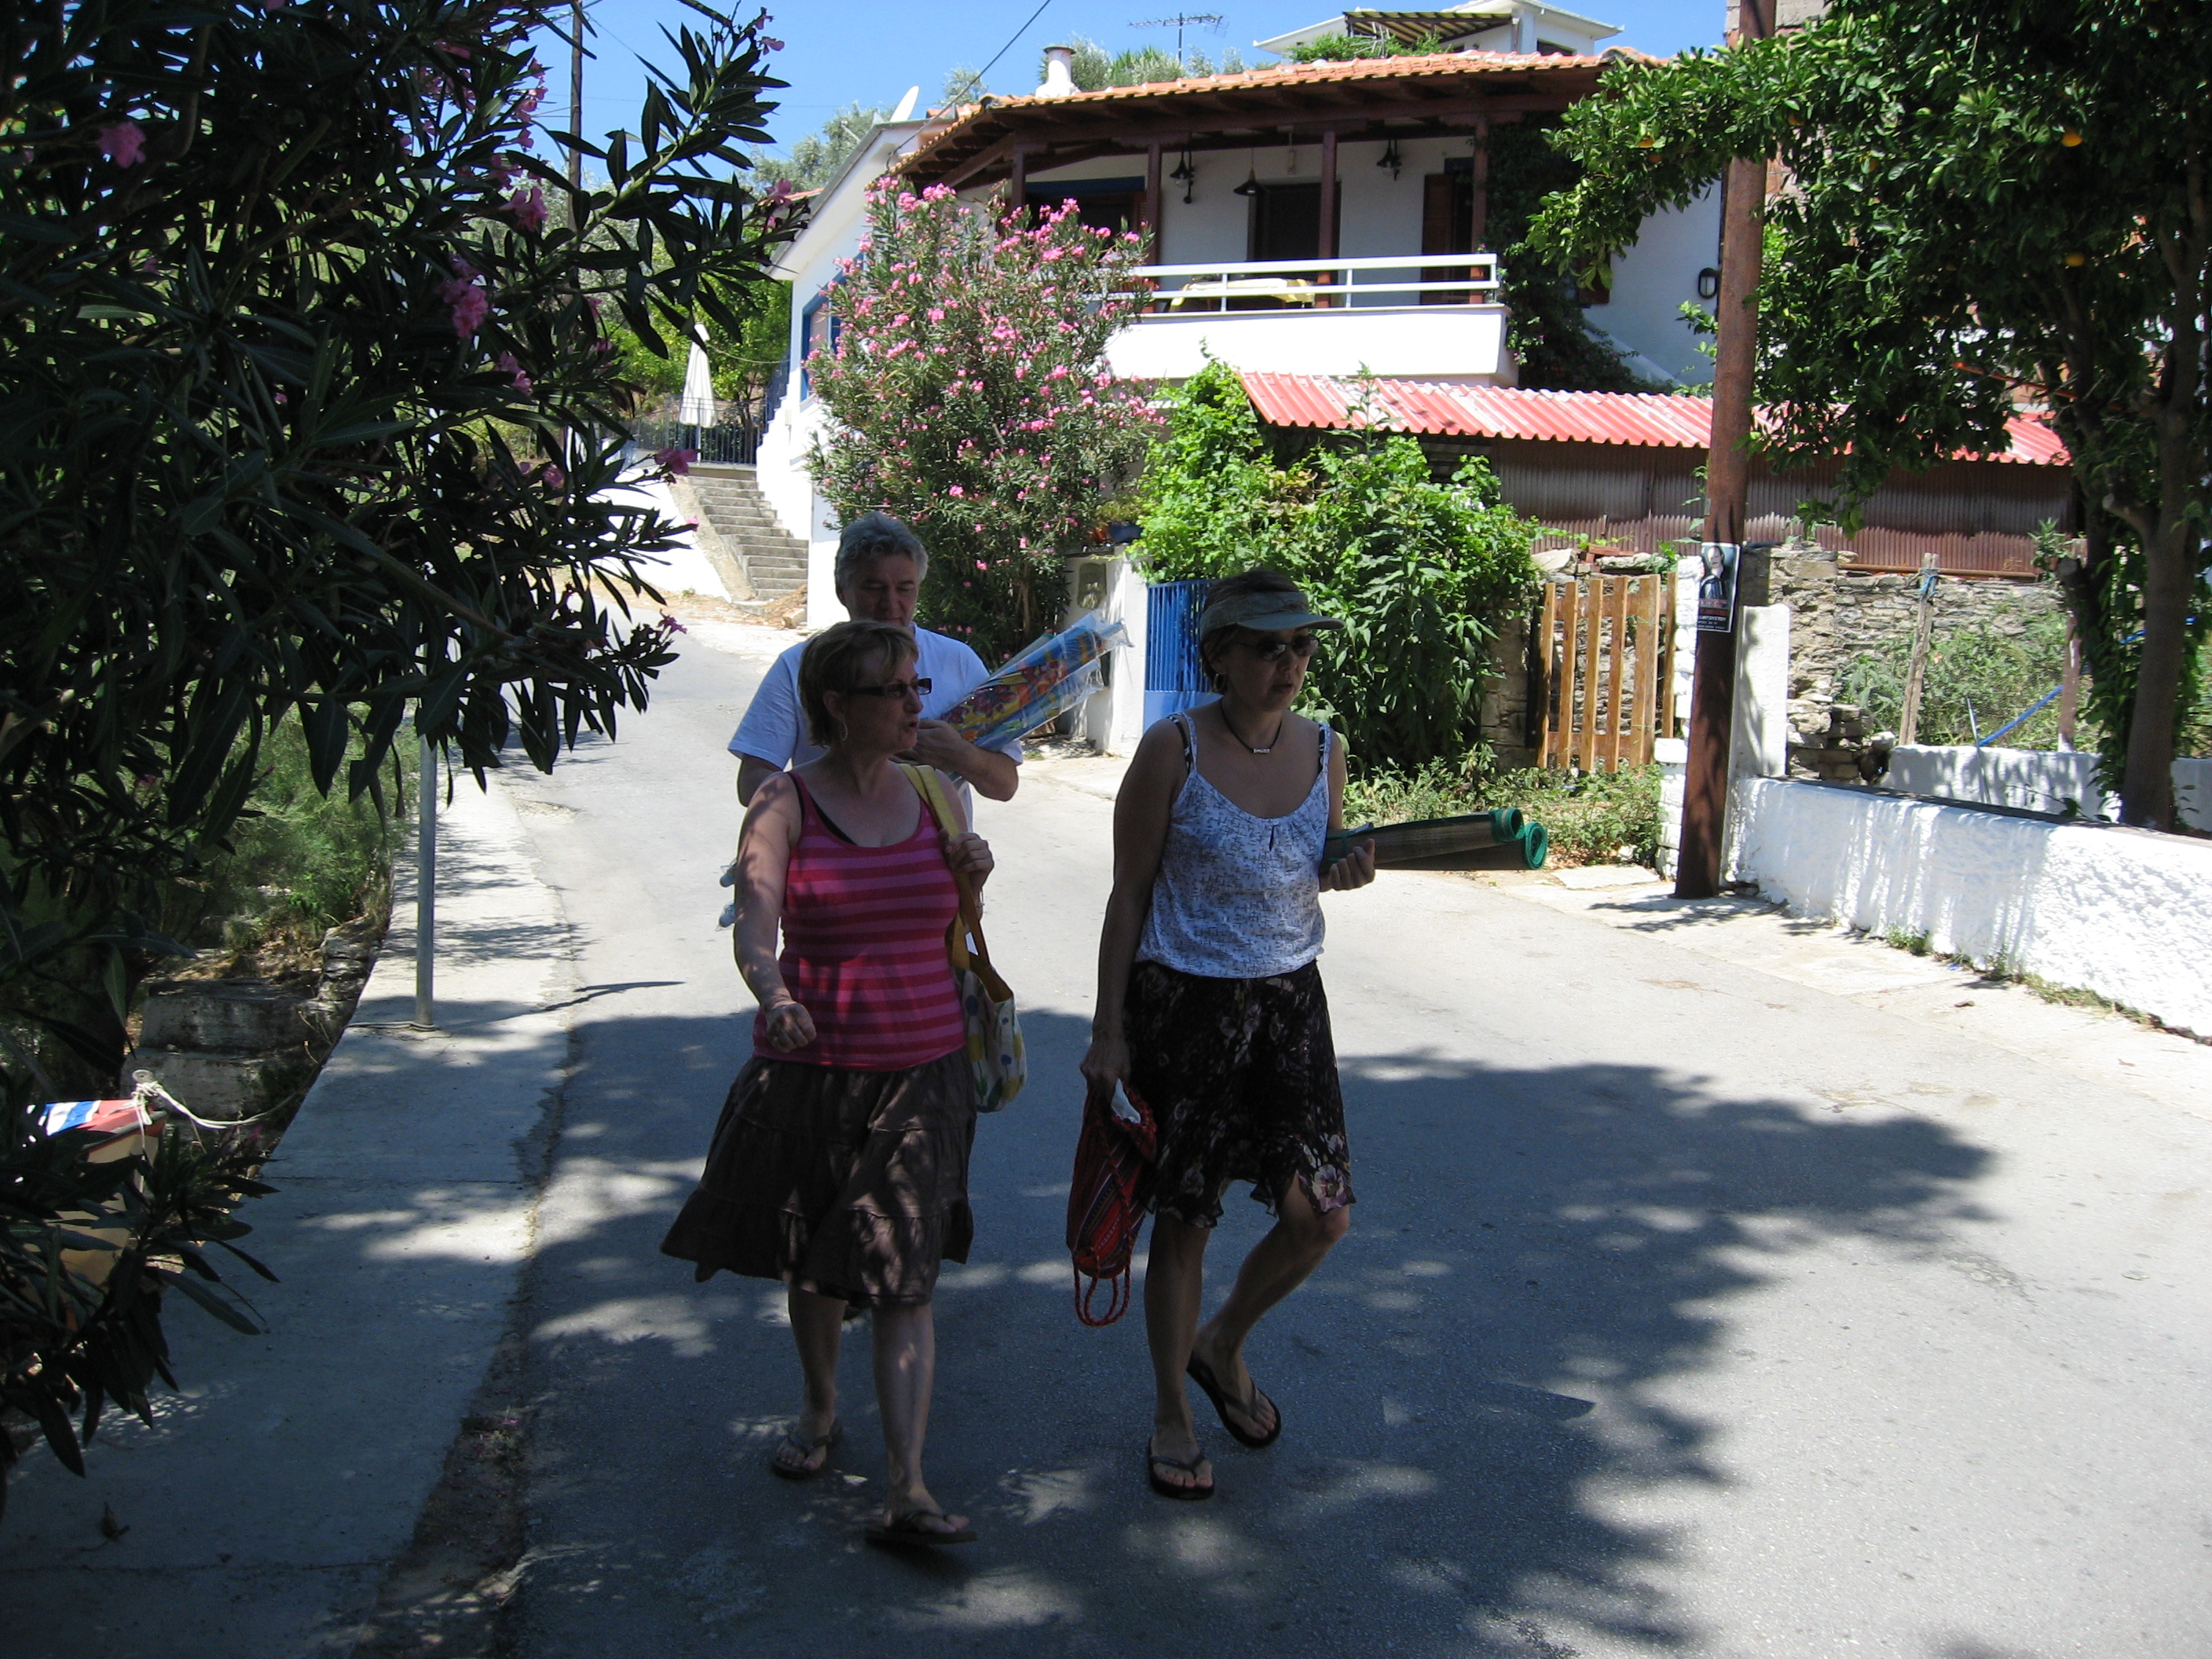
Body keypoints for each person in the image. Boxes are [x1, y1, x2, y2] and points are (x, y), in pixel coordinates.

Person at [665, 618, 995, 1547]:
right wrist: (773, 994)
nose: (913, 706)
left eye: (916, 688)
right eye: (894, 691)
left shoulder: (937, 794)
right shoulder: (783, 802)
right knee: (818, 1263)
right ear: (837, 706)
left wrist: (972, 876)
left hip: (925, 1073)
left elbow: (954, 923)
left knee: (903, 1277)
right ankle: (819, 1404)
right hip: (812, 1075)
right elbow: (753, 926)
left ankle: (907, 1485)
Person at [1079, 569, 1377, 1502]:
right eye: (1265, 646)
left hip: (1289, 1007)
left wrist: (1344, 872)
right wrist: (1107, 1031)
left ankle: (1221, 1343)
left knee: (1320, 1216)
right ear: (1219, 655)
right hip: (1185, 1007)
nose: (1288, 662)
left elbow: (1302, 869)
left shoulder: (1325, 747)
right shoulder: (1171, 750)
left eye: (1299, 645)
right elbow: (1128, 894)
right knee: (1186, 1219)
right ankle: (1171, 1409)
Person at [729, 511, 1020, 809]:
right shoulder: (798, 666)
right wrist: (838, 786)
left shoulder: (958, 661)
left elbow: (1005, 786)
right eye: (874, 588)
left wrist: (960, 755)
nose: (890, 604)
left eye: (904, 589)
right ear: (842, 591)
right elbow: (753, 782)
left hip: (940, 841)